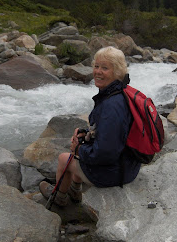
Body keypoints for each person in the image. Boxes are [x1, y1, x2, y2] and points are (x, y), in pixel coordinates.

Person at [40, 46, 141, 206]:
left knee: (64, 159)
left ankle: (59, 198)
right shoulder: (121, 93)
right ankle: (74, 191)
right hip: (128, 165)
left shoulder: (112, 105)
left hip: (116, 173)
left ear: (117, 72)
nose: (98, 71)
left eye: (105, 68)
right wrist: (87, 134)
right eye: (96, 66)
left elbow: (106, 153)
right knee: (82, 148)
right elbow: (112, 133)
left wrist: (79, 149)